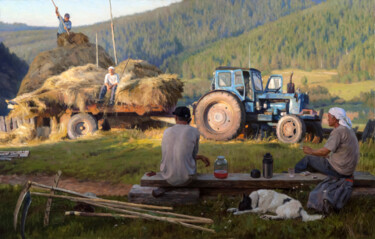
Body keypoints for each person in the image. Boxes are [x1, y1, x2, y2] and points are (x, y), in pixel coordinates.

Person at [153, 106, 210, 197]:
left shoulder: (166, 131)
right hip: (186, 179)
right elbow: (192, 155)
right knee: (189, 166)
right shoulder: (194, 131)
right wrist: (200, 157)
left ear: (175, 118)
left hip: (167, 176)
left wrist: (200, 157)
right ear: (189, 119)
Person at [294, 107, 359, 178]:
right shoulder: (347, 129)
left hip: (339, 171)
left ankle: (292, 177)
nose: (328, 119)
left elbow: (324, 152)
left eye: (329, 117)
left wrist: (311, 151)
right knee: (314, 162)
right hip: (347, 170)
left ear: (334, 118)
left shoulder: (338, 131)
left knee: (308, 159)